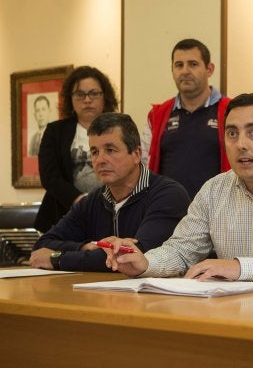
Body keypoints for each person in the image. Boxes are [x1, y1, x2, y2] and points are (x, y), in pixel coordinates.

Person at [104, 93, 253, 284]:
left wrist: (239, 267)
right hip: (231, 315)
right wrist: (145, 263)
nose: (241, 144)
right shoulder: (214, 190)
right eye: (232, 133)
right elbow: (182, 250)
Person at [30, 113, 190, 272]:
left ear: (136, 154)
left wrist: (57, 258)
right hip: (100, 293)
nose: (100, 160)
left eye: (110, 150)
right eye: (94, 152)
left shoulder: (168, 195)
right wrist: (86, 247)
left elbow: (133, 258)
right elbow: (42, 244)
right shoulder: (92, 201)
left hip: (153, 295)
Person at [141, 38, 231, 200]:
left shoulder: (231, 111)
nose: (185, 71)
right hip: (167, 213)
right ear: (172, 70)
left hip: (216, 213)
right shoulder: (157, 115)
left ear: (209, 69)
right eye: (179, 65)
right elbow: (142, 166)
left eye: (193, 64)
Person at [34, 66, 119, 233]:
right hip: (61, 216)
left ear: (105, 97)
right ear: (70, 99)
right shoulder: (55, 131)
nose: (87, 100)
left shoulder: (119, 129)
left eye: (94, 93)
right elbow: (49, 176)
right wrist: (79, 200)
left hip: (110, 215)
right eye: (80, 94)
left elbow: (127, 169)